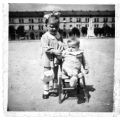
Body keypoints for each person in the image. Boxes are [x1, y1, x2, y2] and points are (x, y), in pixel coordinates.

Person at [41, 11, 64, 99]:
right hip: (47, 59)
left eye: (56, 27)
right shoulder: (45, 37)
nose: (54, 29)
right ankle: (46, 90)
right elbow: (45, 47)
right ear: (46, 25)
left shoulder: (59, 35)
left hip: (56, 59)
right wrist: (54, 51)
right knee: (47, 74)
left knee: (55, 73)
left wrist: (65, 49)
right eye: (51, 26)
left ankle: (54, 88)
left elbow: (62, 44)